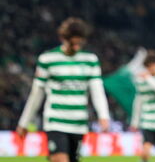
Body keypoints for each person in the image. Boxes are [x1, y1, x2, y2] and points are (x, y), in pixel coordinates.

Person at [16, 17, 111, 162]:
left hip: (79, 123)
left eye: (80, 43)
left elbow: (97, 91)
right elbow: (36, 94)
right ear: (63, 39)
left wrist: (103, 115)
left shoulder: (90, 60)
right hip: (55, 121)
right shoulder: (48, 59)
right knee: (61, 159)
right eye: (73, 44)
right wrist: (24, 122)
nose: (77, 47)